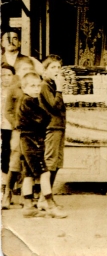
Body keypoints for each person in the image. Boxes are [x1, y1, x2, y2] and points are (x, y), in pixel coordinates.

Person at [16, 72, 66, 218]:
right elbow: (45, 117)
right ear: (24, 87)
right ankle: (50, 206)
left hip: (25, 141)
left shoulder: (26, 100)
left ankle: (28, 206)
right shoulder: (29, 101)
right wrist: (46, 118)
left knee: (29, 174)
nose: (36, 88)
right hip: (33, 142)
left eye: (38, 85)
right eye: (32, 86)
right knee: (44, 173)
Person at [2, 56, 37, 209]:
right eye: (23, 69)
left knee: (28, 162)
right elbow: (8, 111)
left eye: (29, 69)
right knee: (15, 162)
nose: (26, 72)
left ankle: (26, 194)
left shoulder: (35, 88)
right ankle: (8, 193)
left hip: (32, 131)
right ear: (17, 72)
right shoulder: (13, 89)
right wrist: (16, 123)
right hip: (18, 131)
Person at [37, 55, 65, 211]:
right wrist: (60, 88)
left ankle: (45, 198)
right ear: (45, 71)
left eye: (59, 67)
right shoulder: (45, 86)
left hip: (58, 127)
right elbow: (54, 106)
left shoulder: (52, 85)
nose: (57, 71)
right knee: (50, 163)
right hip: (51, 128)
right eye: (53, 67)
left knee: (56, 164)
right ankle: (44, 199)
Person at [1, 63, 15, 205]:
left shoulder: (16, 91)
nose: (5, 78)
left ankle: (9, 190)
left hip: (10, 128)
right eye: (2, 75)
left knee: (9, 157)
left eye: (9, 75)